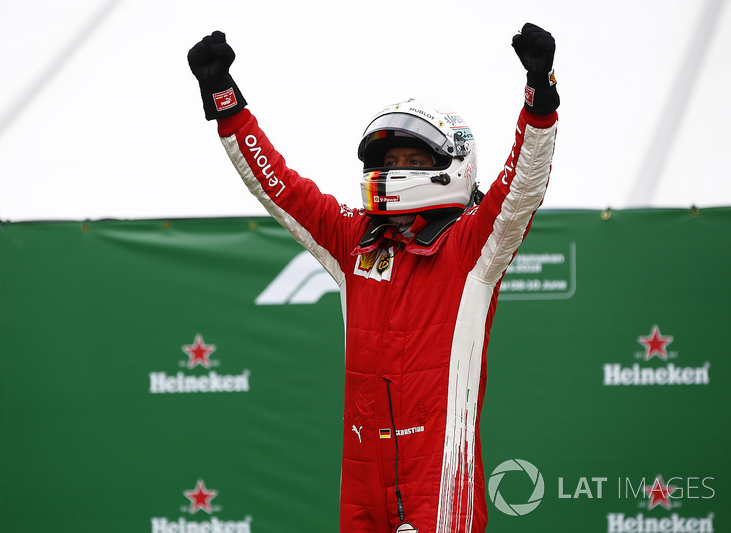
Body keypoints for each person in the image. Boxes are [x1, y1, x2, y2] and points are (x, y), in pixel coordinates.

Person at [188, 23, 559, 533]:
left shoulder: (472, 247)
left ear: (453, 166)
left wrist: (538, 99)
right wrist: (227, 105)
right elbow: (280, 187)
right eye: (390, 161)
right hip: (362, 477)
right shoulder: (352, 240)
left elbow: (522, 185)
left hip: (439, 479)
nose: (396, 171)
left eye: (413, 160)